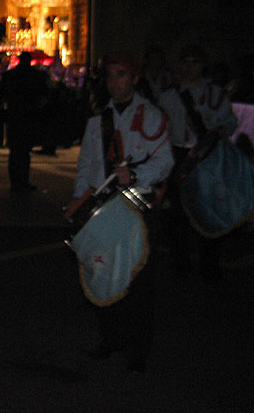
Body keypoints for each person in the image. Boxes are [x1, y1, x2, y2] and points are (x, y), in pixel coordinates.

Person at [67, 51, 174, 372]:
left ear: (135, 77)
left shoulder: (152, 116)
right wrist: (78, 203)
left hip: (137, 209)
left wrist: (137, 176)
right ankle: (109, 338)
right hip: (103, 208)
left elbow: (164, 160)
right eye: (110, 75)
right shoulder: (98, 120)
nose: (115, 82)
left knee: (139, 280)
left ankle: (137, 348)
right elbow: (86, 165)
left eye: (122, 75)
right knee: (101, 271)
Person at [157, 45, 237, 285]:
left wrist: (216, 133)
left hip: (204, 156)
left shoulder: (214, 94)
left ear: (202, 65)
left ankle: (209, 267)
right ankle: (180, 265)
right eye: (185, 61)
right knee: (177, 214)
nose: (189, 67)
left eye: (194, 62)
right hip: (179, 155)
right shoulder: (169, 96)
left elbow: (229, 121)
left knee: (207, 212)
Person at [0, 51, 52, 191]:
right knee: (23, 151)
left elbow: (1, 95)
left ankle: (16, 181)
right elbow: (45, 94)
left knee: (16, 151)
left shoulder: (11, 76)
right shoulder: (34, 76)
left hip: (16, 116)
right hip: (27, 116)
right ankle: (21, 181)